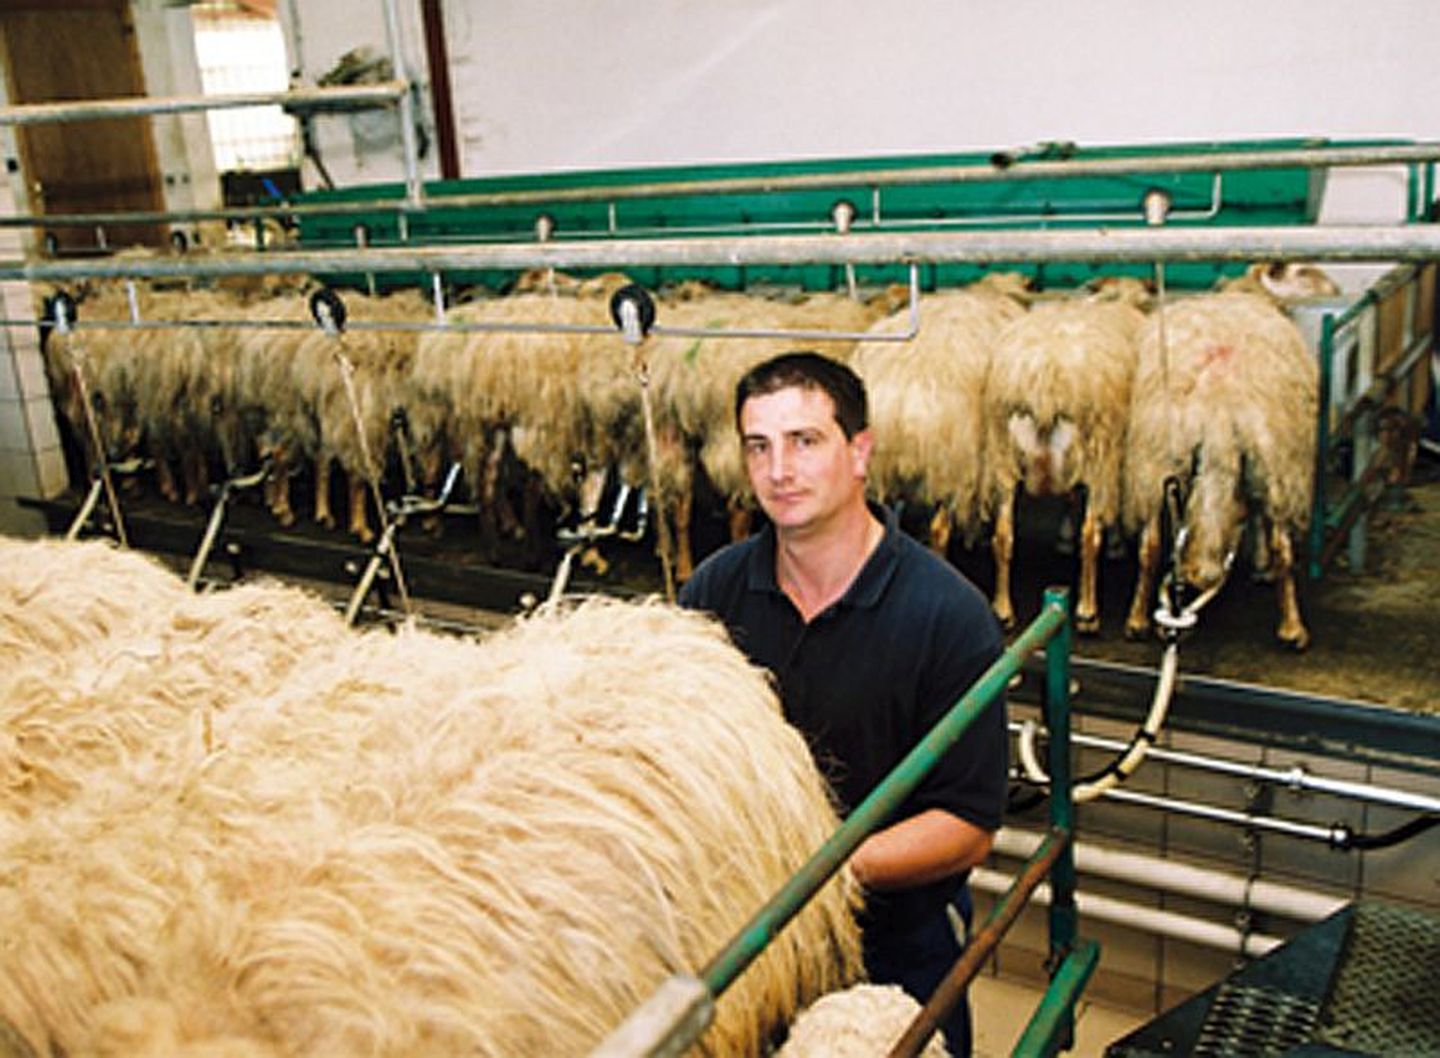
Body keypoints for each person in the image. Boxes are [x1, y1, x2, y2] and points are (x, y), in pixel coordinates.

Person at [678, 351, 1007, 1057]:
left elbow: (968, 824)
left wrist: (811, 874)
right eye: (758, 447)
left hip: (892, 939)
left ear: (859, 452)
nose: (779, 470)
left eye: (805, 441)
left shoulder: (947, 616)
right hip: (744, 934)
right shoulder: (713, 592)